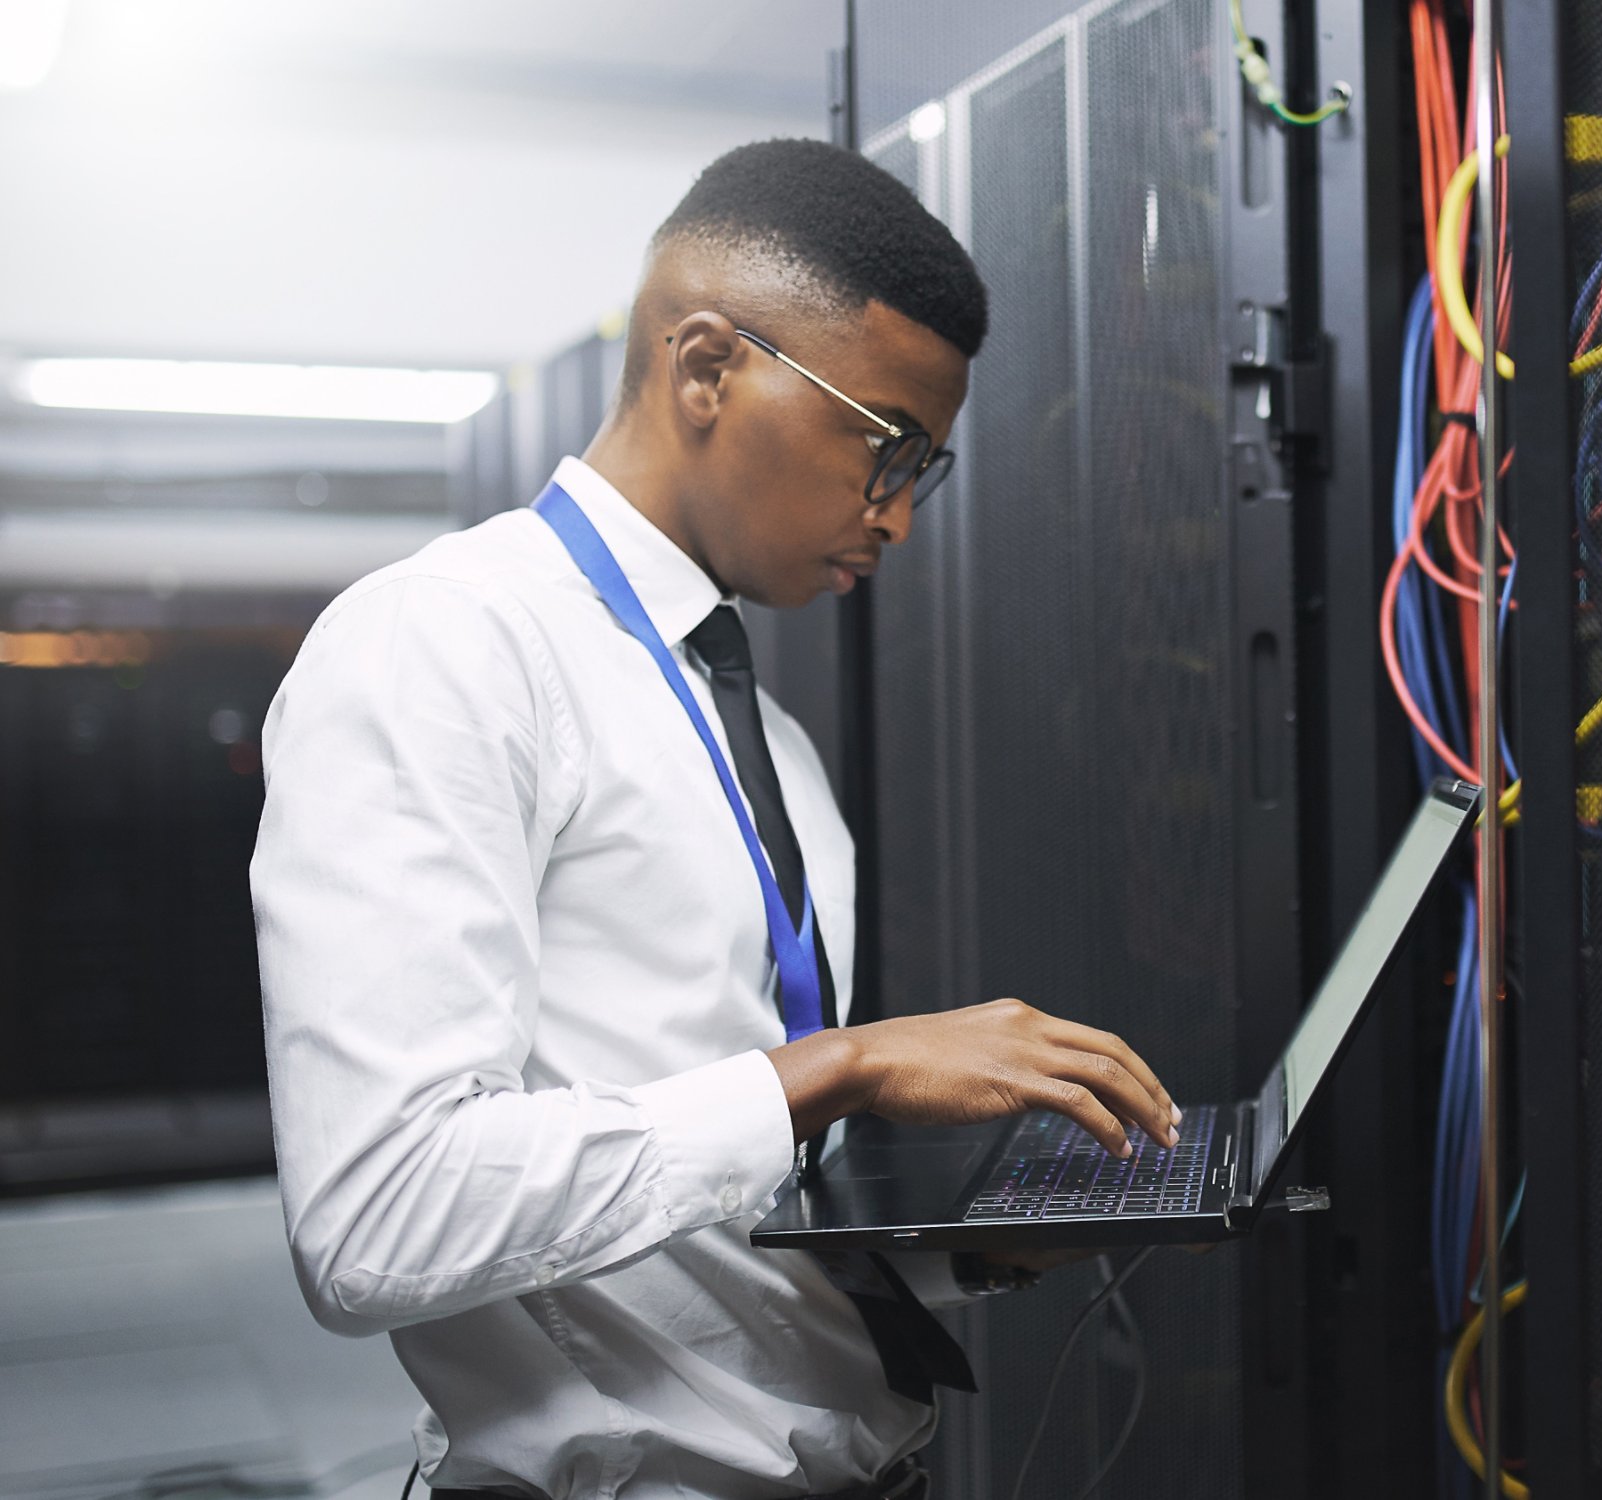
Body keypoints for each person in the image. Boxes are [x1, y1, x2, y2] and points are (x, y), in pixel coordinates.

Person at [250, 137, 1180, 1500]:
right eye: (886, 449)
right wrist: (844, 1068)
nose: (898, 519)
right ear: (706, 368)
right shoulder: (441, 645)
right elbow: (381, 1213)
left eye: (926, 469)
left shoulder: (768, 742)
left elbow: (717, 1191)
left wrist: (965, 1245)